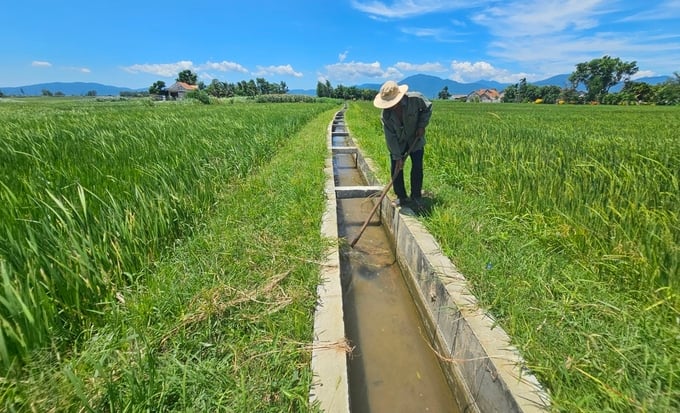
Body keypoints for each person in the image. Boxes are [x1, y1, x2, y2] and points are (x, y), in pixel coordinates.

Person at [373, 80, 432, 207]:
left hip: (415, 138)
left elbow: (427, 108)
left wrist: (422, 125)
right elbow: (390, 137)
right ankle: (401, 196)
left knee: (417, 166)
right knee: (396, 168)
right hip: (398, 142)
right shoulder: (386, 115)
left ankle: (416, 196)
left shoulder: (415, 99)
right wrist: (397, 156)